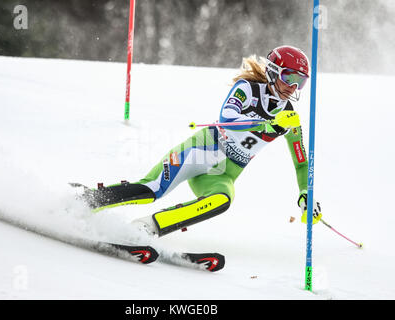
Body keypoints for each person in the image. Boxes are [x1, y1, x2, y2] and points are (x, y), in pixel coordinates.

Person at [73, 45, 322, 237]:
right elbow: (227, 117)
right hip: (200, 151)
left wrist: (305, 194)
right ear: (273, 71)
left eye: (300, 81)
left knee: (222, 200)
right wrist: (267, 125)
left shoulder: (290, 119)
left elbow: (301, 163)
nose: (293, 86)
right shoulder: (248, 89)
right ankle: (85, 202)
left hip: (223, 172)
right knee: (151, 189)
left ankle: (148, 228)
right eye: (290, 77)